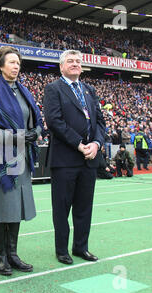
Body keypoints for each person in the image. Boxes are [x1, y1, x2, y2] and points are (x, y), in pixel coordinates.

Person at [0, 46, 43, 276]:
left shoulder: (24, 91)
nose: (16, 66)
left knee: (16, 205)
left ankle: (13, 254)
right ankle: (0, 256)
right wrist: (19, 136)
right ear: (0, 65)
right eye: (11, 62)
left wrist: (37, 131)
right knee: (1, 206)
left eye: (18, 63)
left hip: (21, 155)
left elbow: (35, 118)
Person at [43, 49, 106, 265]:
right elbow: (54, 121)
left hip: (89, 160)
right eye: (70, 61)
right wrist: (80, 145)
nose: (75, 64)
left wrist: (96, 144)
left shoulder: (89, 90)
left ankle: (81, 247)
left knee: (84, 207)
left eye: (78, 61)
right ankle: (62, 250)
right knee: (62, 208)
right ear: (61, 66)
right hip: (65, 159)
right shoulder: (54, 89)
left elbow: (100, 121)